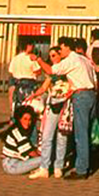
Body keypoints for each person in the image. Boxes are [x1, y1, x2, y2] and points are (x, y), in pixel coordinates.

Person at [31, 37, 97, 181]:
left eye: (61, 49)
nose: (60, 52)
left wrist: (39, 60)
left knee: (81, 135)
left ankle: (81, 169)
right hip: (91, 94)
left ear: (67, 47)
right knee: (85, 132)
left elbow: (51, 70)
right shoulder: (84, 59)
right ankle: (85, 164)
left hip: (81, 95)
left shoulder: (71, 59)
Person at [27, 48, 69, 179]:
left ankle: (58, 166)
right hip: (53, 105)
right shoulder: (52, 74)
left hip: (65, 105)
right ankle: (45, 166)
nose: (52, 58)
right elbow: (44, 87)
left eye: (54, 55)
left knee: (62, 137)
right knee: (47, 136)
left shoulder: (67, 70)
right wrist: (34, 95)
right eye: (50, 56)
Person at [1, 105, 42, 175]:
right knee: (45, 159)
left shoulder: (18, 129)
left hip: (13, 163)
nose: (28, 122)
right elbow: (29, 152)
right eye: (25, 119)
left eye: (29, 120)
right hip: (12, 165)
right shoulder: (18, 133)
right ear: (19, 119)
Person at [8, 43, 42, 116]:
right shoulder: (31, 58)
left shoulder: (15, 58)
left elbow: (11, 71)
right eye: (31, 46)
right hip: (28, 82)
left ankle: (14, 117)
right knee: (29, 104)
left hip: (16, 81)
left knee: (17, 102)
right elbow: (38, 71)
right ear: (28, 46)